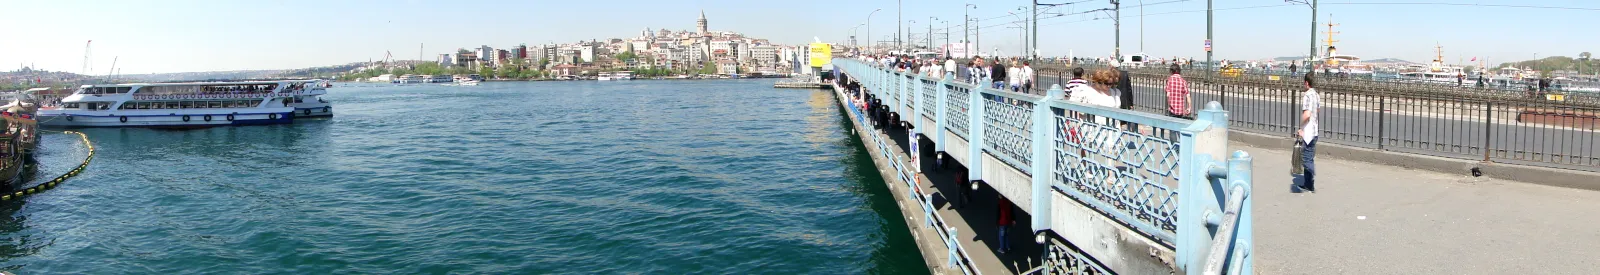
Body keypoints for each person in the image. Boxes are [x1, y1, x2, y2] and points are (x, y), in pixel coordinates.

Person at [1297, 72, 1321, 192]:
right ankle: (1308, 183)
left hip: (1308, 132)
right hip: (1315, 131)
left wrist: (1301, 128)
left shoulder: (1307, 96)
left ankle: (1310, 184)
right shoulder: (1317, 95)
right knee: (1310, 157)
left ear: (1307, 83)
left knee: (1306, 159)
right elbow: (1318, 110)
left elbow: (1306, 115)